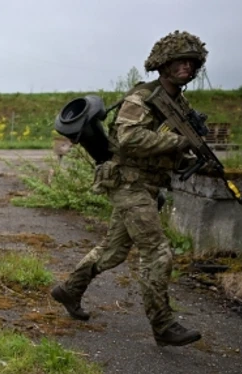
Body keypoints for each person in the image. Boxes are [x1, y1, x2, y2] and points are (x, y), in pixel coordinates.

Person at [50, 30, 206, 347]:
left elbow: (167, 149)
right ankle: (163, 325)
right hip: (127, 183)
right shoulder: (142, 98)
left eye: (191, 62)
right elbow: (129, 138)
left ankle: (69, 290)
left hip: (146, 185)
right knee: (157, 252)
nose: (186, 67)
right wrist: (178, 141)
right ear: (163, 64)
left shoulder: (178, 103)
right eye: (180, 61)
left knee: (113, 251)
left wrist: (188, 157)